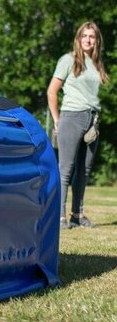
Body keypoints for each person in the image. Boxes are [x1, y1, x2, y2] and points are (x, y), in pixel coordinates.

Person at [47, 21, 108, 230]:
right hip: (71, 117)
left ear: (96, 40)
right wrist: (57, 120)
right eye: (84, 36)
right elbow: (52, 92)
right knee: (66, 169)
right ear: (78, 38)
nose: (88, 40)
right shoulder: (68, 60)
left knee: (84, 170)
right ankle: (60, 217)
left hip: (93, 119)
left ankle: (77, 214)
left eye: (92, 36)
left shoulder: (97, 62)